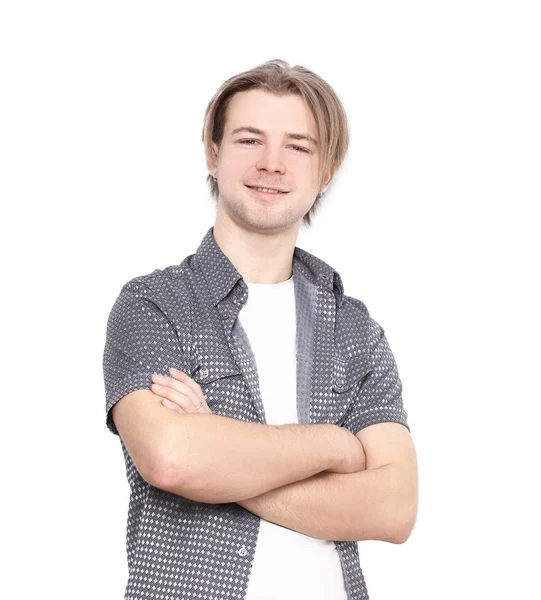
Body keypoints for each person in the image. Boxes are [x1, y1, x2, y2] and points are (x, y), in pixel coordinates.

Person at [103, 58, 418, 600]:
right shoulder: (153, 305)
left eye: (298, 146)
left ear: (326, 170)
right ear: (213, 153)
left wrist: (223, 461)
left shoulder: (355, 330)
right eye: (250, 140)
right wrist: (333, 447)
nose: (272, 163)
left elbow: (394, 507)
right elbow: (172, 459)